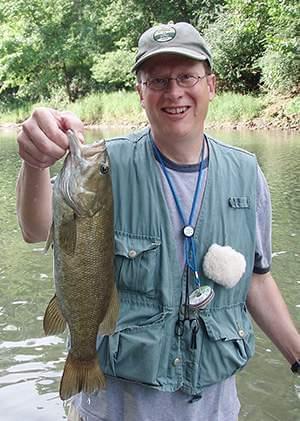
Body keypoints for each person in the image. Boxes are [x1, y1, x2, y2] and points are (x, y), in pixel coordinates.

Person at [16, 22, 300, 421]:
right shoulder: (104, 166)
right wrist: (34, 162)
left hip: (214, 411)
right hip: (111, 409)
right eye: (158, 80)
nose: (174, 91)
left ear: (212, 85)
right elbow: (35, 228)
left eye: (187, 76)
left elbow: (257, 278)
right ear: (140, 93)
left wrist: (297, 357)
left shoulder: (247, 175)